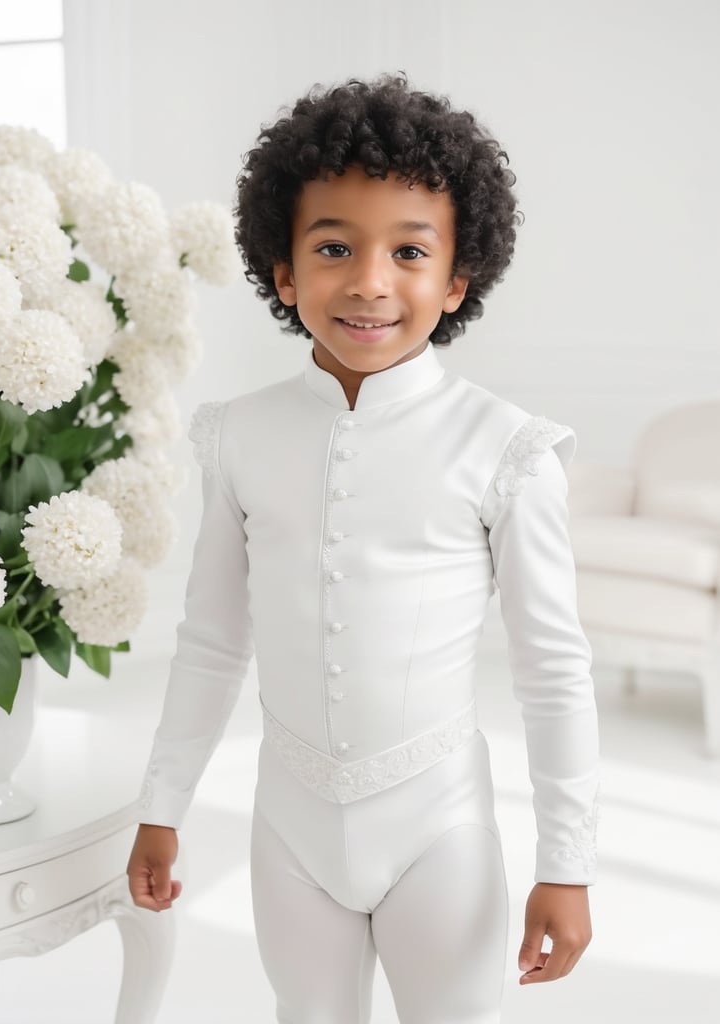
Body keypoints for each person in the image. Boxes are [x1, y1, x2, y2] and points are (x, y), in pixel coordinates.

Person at [127, 72, 600, 1023]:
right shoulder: (237, 436)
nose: (370, 281)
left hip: (440, 829)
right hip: (288, 829)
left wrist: (568, 864)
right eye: (334, 247)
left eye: (410, 252)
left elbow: (553, 669)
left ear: (458, 279)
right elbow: (213, 639)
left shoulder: (506, 450)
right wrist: (161, 803)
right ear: (283, 271)